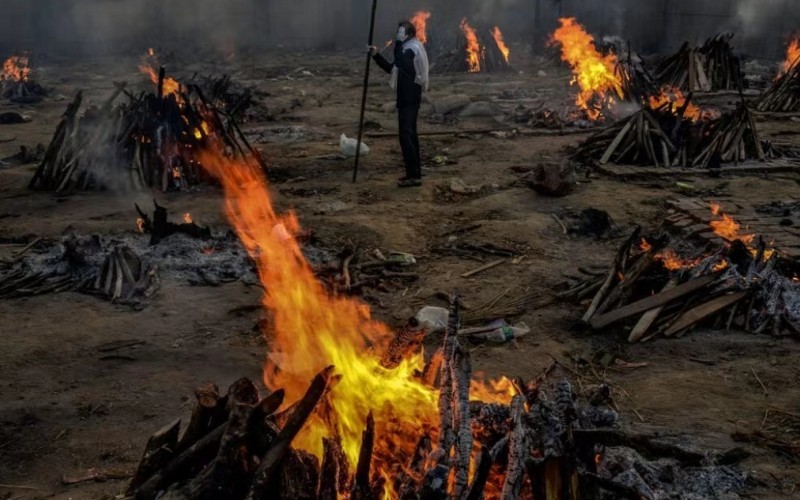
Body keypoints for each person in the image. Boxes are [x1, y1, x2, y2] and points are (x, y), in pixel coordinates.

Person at [369, 21, 429, 187]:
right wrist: (376, 55)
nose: (397, 35)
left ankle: (414, 176)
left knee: (406, 136)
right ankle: (414, 173)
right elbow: (392, 68)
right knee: (409, 135)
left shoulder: (412, 48)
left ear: (407, 34)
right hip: (405, 98)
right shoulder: (406, 49)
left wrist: (398, 42)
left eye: (400, 32)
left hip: (410, 98)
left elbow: (402, 63)